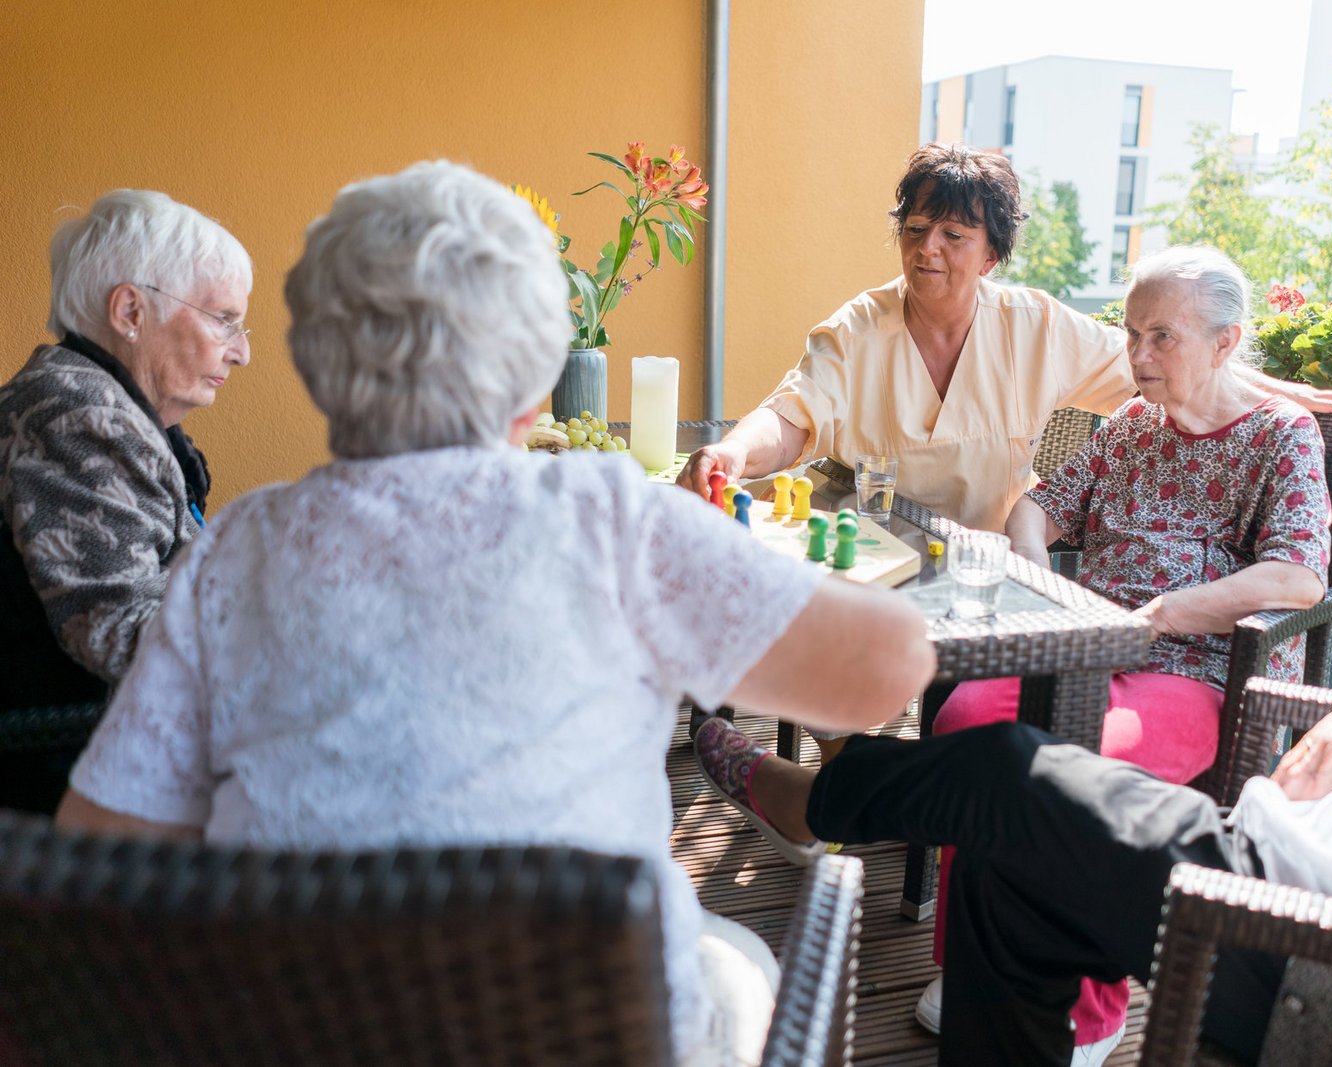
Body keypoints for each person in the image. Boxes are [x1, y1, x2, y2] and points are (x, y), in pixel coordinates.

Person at [53, 161, 936, 1067]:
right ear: (531, 376)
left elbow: (99, 849)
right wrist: (715, 579)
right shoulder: (609, 518)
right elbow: (893, 667)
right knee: (736, 961)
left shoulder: (233, 551)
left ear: (317, 358)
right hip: (592, 1026)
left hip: (302, 1027)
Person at [695, 364, 1332, 1066]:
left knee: (1008, 771)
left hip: (1303, 952)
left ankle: (815, 801)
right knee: (1002, 876)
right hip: (1269, 851)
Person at [912, 244, 1331, 1058]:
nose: (1137, 357)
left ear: (1226, 341)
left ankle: (1088, 1012)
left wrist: (1172, 613)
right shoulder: (1132, 425)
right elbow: (1037, 507)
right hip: (1089, 649)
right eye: (1131, 333)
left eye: (1161, 337)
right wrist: (1043, 582)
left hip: (1202, 673)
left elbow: (1300, 576)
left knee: (1085, 772)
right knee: (965, 715)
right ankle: (969, 959)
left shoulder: (1283, 435)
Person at [677, 142, 1332, 534]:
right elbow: (792, 418)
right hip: (868, 551)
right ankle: (841, 770)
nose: (928, 250)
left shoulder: (1034, 325)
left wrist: (1284, 395)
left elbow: (1163, 368)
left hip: (980, 565)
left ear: (991, 255)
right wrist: (732, 452)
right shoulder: (860, 325)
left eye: (953, 235)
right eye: (915, 230)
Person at [0, 189, 252, 813]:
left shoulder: (105, 414)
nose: (242, 351)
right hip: (62, 783)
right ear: (130, 311)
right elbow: (121, 635)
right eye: (223, 319)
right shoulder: (76, 419)